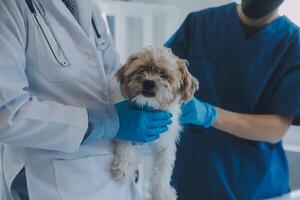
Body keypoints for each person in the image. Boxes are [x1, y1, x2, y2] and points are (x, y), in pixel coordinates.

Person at [0, 0, 172, 199]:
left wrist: (144, 106)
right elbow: (6, 114)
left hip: (111, 176)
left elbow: (114, 76)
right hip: (50, 180)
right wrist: (104, 122)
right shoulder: (10, 5)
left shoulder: (88, 6)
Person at [166, 0, 300, 199]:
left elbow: (276, 129)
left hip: (255, 187)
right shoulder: (199, 24)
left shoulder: (292, 43)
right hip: (193, 178)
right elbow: (162, 73)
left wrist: (209, 114)